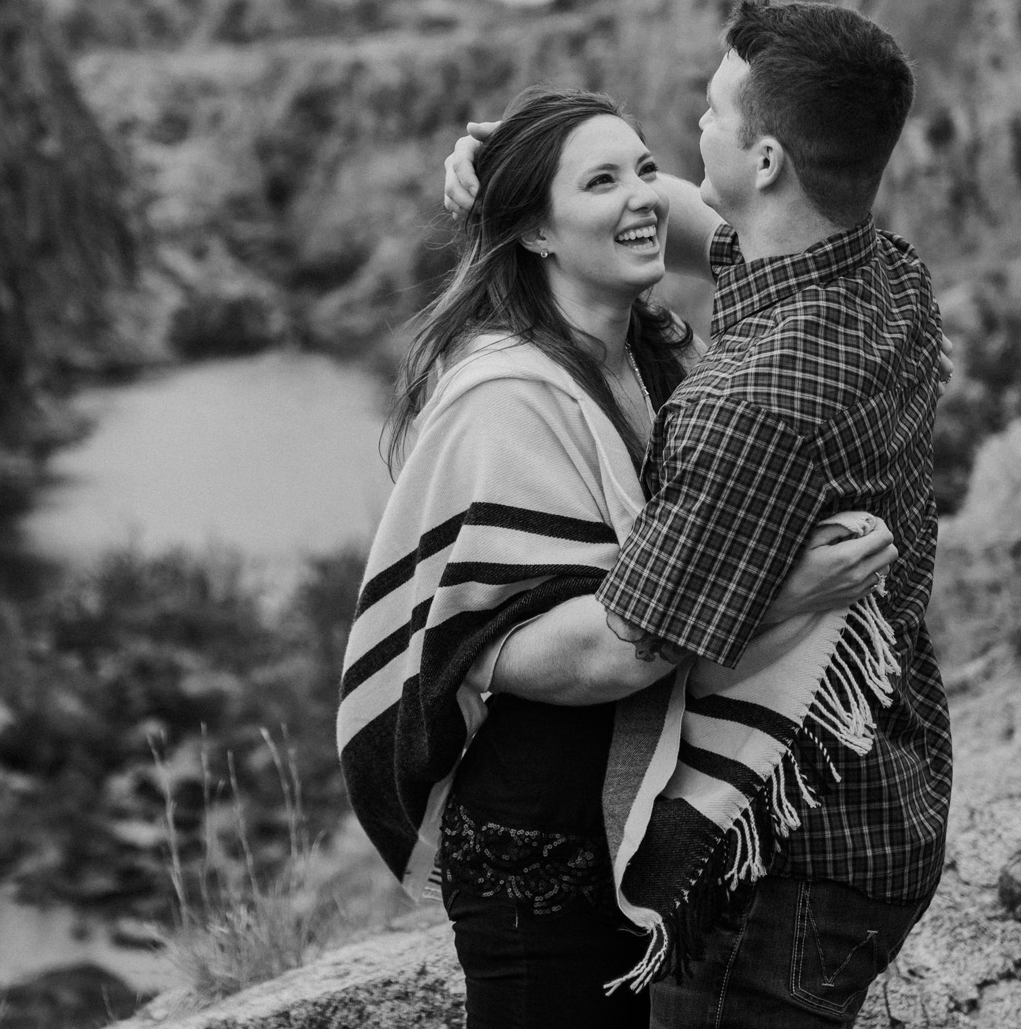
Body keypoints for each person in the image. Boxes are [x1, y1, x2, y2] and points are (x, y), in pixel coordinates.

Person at [337, 86, 900, 1029]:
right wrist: (784, 591)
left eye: (646, 167)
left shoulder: (651, 356)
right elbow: (563, 657)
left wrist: (557, 172)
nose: (644, 196)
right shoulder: (506, 394)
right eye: (600, 182)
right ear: (537, 235)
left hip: (626, 823)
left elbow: (744, 225)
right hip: (540, 853)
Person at [439, 0, 951, 1028]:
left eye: (710, 115)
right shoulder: (885, 279)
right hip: (891, 790)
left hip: (786, 851)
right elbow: (687, 215)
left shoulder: (749, 403)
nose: (690, 135)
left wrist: (463, 642)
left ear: (763, 160)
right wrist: (524, 167)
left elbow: (619, 652)